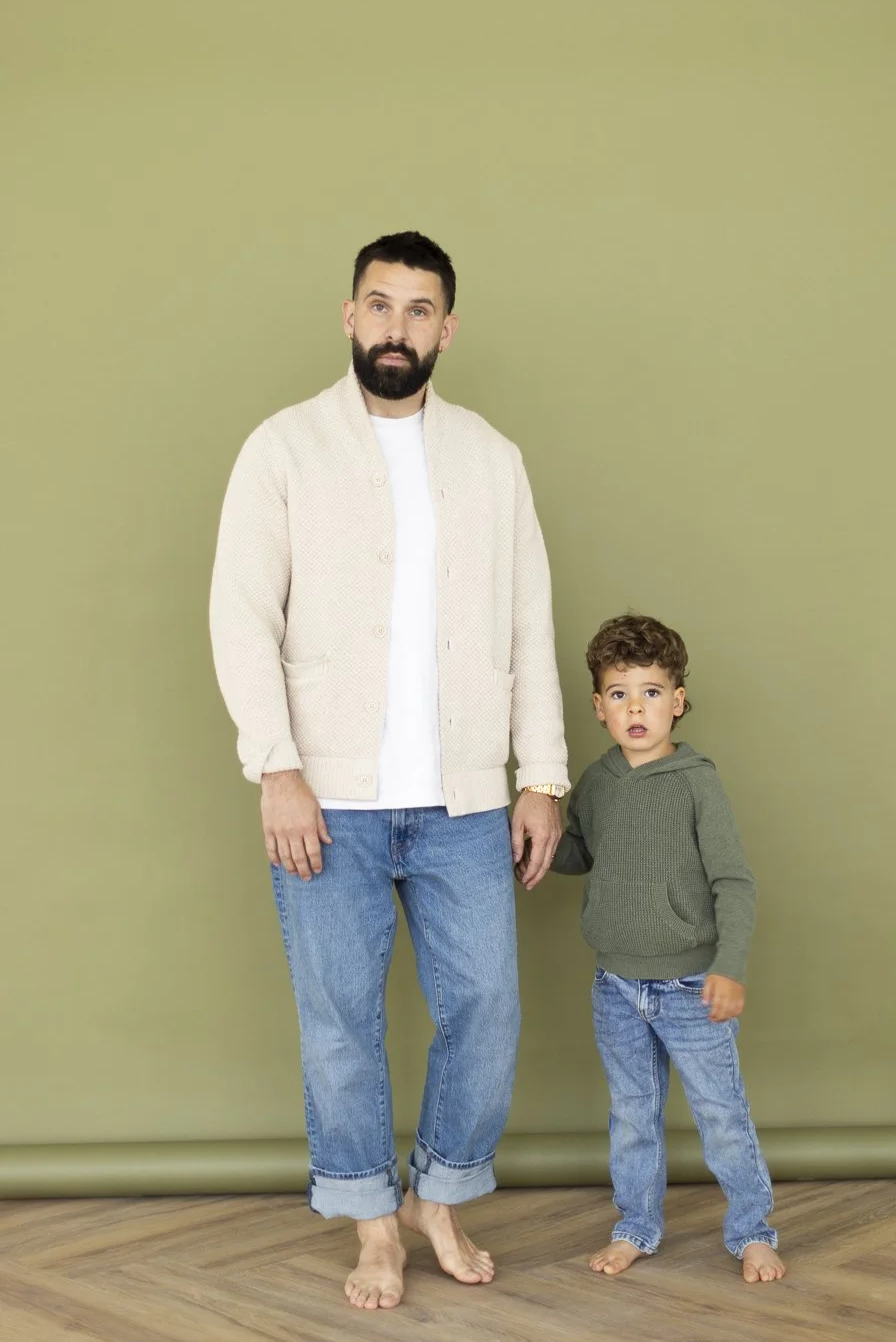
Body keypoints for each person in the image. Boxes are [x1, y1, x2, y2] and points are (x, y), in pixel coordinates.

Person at [209, 230, 568, 1311]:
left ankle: (438, 1199)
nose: (396, 328)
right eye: (379, 305)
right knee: (339, 1023)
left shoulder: (490, 459)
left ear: (445, 329)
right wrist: (275, 767)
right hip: (329, 801)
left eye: (419, 311)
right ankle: (374, 1225)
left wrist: (541, 773)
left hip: (462, 800)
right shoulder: (283, 449)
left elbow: (527, 622)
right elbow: (240, 619)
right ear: (349, 316)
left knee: (488, 1009)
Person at [552, 614, 785, 1283]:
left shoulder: (695, 782)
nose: (636, 708)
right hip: (615, 987)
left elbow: (734, 882)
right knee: (632, 1115)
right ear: (598, 707)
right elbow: (581, 854)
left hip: (691, 987)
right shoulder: (597, 783)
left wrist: (729, 968)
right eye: (620, 693)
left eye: (651, 692)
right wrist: (526, 843)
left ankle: (752, 1231)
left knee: (721, 1114)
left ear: (677, 701)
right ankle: (637, 1227)